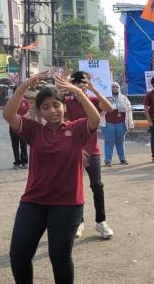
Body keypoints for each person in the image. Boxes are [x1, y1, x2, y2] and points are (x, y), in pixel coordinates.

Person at [3, 73, 101, 284]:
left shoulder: (76, 129)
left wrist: (77, 91)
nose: (52, 110)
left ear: (64, 106)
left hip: (67, 204)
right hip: (33, 202)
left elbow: (95, 119)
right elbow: (9, 115)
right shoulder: (34, 130)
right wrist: (24, 86)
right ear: (39, 111)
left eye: (56, 105)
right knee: (19, 255)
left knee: (60, 258)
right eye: (45, 107)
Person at [64, 71, 114, 239]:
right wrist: (63, 84)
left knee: (97, 186)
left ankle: (101, 222)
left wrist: (94, 90)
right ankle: (79, 222)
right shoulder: (67, 102)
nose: (81, 87)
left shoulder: (92, 101)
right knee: (74, 187)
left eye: (84, 84)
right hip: (74, 150)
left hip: (92, 151)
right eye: (78, 84)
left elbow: (109, 108)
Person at [101, 82, 134, 167]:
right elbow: (101, 109)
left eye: (116, 87)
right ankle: (108, 160)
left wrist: (131, 124)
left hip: (120, 123)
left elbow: (129, 111)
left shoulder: (124, 98)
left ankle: (122, 159)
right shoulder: (105, 98)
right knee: (109, 142)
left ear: (119, 88)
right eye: (113, 87)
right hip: (108, 123)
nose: (115, 88)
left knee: (120, 141)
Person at [9, 90, 30, 169]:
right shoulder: (11, 102)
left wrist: (22, 117)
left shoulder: (26, 101)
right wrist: (17, 118)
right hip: (13, 126)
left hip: (23, 126)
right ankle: (17, 162)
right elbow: (9, 113)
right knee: (15, 145)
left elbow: (29, 111)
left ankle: (24, 162)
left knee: (23, 145)